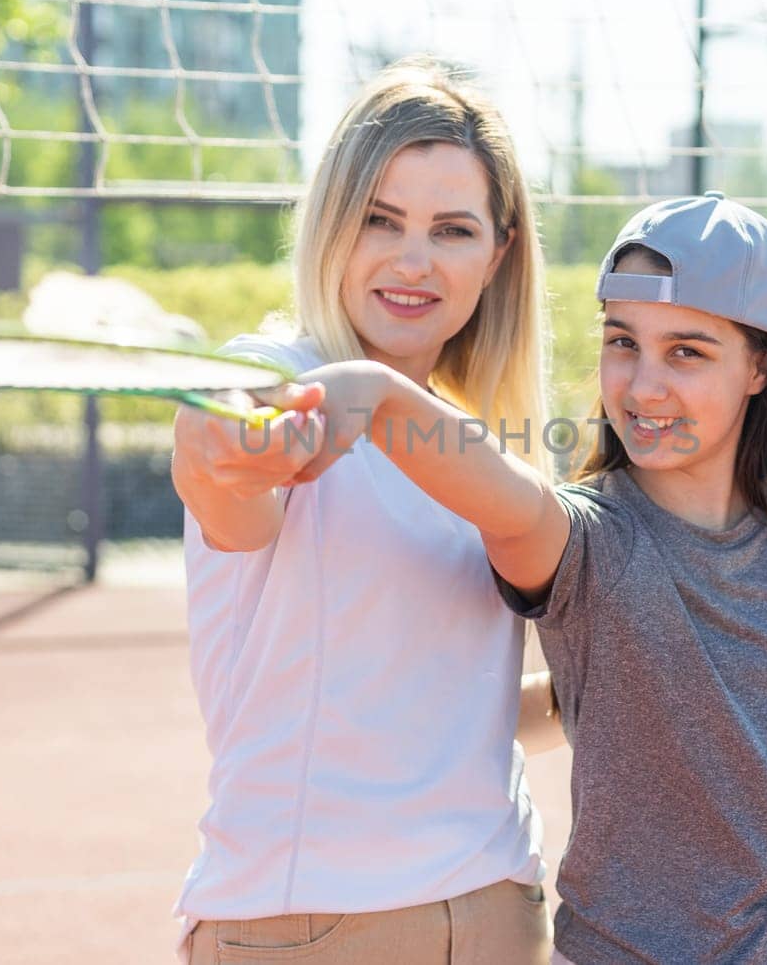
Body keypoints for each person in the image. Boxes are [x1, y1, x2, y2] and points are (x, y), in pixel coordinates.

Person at [289, 193, 767, 964]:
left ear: (757, 366)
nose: (643, 387)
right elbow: (505, 497)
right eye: (623, 343)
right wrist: (376, 399)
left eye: (687, 351)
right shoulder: (587, 542)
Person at [169, 57, 555, 964]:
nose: (412, 260)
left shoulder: (479, 443)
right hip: (306, 927)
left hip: (500, 909)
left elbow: (454, 709)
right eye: (381, 219)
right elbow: (222, 468)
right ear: (331, 225)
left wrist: (624, 686)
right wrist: (232, 449)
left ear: (497, 254)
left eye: (452, 230)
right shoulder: (275, 373)